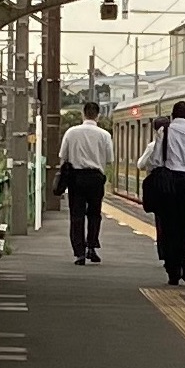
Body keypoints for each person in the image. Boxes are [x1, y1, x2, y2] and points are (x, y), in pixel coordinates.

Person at [137, 100, 185, 283]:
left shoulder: (164, 131)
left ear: (173, 116)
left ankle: (172, 270)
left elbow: (157, 159)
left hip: (169, 183)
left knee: (168, 226)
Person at [56, 101, 115, 265]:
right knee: (95, 214)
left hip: (76, 178)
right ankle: (92, 247)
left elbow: (63, 156)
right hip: (96, 177)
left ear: (83, 114)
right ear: (98, 115)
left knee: (76, 215)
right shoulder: (104, 135)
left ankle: (79, 253)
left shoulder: (71, 132)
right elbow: (109, 160)